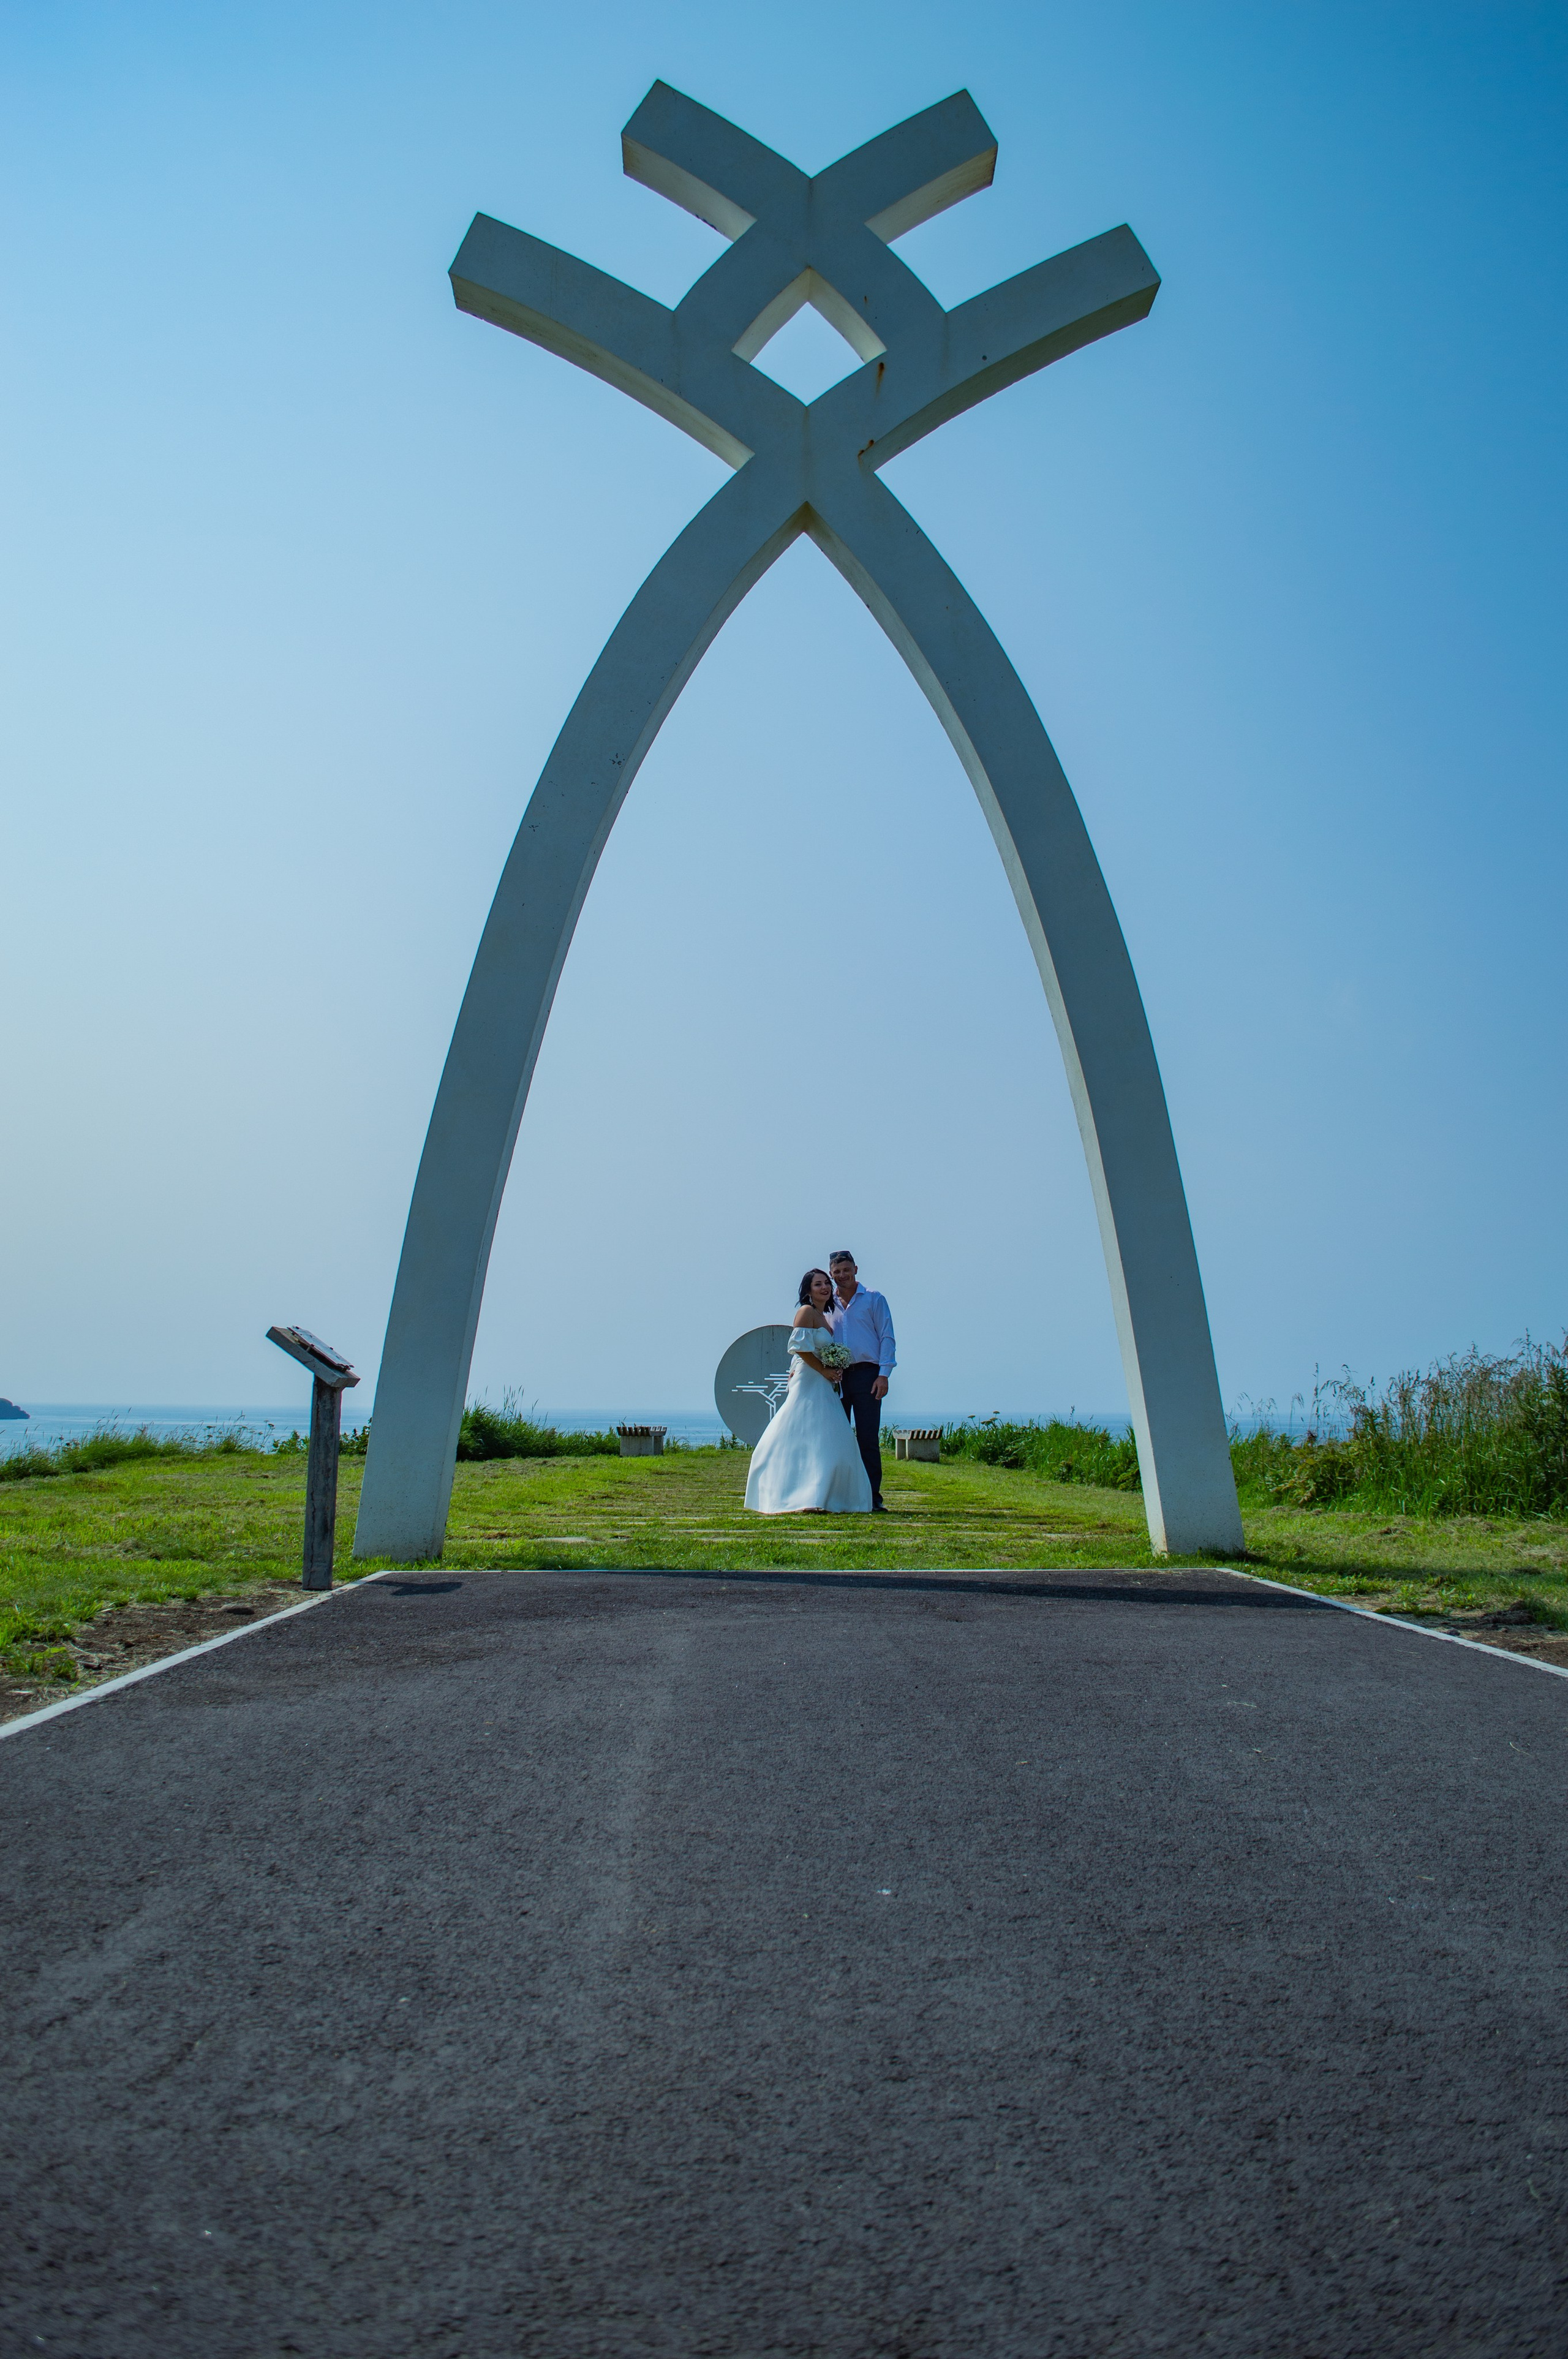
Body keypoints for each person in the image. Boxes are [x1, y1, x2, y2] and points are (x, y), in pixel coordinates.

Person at [744, 1268, 873, 1515]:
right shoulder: (806, 1312)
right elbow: (799, 1348)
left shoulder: (824, 1316)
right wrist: (824, 1369)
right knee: (799, 1427)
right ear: (808, 1290)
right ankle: (797, 1493)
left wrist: (835, 1367)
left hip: (824, 1381)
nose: (824, 1287)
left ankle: (824, 1493)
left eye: (827, 1283)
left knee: (825, 1436)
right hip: (810, 1378)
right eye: (818, 1284)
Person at [826, 1251, 895, 1512]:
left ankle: (872, 1498)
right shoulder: (826, 1302)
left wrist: (884, 1375)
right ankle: (839, 1496)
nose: (842, 1276)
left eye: (846, 1270)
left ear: (856, 1269)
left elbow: (887, 1337)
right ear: (831, 1274)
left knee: (868, 1438)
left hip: (868, 1375)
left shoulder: (874, 1299)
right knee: (838, 1437)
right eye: (837, 1272)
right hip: (837, 1378)